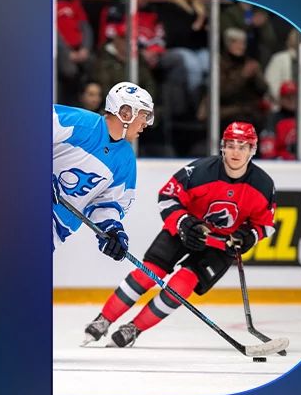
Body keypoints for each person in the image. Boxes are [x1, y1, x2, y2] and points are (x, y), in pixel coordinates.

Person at [83, 121, 275, 348]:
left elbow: (265, 224)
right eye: (231, 145)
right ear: (222, 146)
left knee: (182, 283)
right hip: (185, 231)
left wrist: (247, 237)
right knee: (148, 272)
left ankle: (134, 328)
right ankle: (104, 318)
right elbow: (167, 196)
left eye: (242, 146)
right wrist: (185, 222)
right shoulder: (201, 171)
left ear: (252, 150)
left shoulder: (263, 185)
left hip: (220, 246)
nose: (235, 152)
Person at [52, 81, 154, 259]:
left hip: (53, 231)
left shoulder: (126, 160)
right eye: (143, 115)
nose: (146, 123)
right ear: (125, 113)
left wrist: (111, 231)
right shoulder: (80, 123)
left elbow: (107, 204)